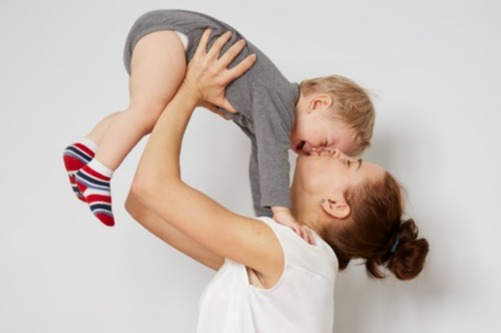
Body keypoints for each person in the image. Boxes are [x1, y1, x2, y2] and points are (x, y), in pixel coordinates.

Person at [125, 29, 429, 332]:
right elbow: (142, 206)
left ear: (335, 204)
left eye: (349, 162)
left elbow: (150, 188)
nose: (334, 152)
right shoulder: (294, 260)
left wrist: (190, 90)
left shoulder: (290, 255)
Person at [62, 9, 375, 228]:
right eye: (327, 143)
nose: (317, 153)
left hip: (164, 38)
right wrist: (283, 212)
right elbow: (273, 159)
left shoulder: (268, 113)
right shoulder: (279, 101)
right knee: (146, 112)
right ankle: (98, 173)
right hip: (175, 37)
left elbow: (260, 164)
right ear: (318, 103)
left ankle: (87, 148)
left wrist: (264, 218)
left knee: (150, 113)